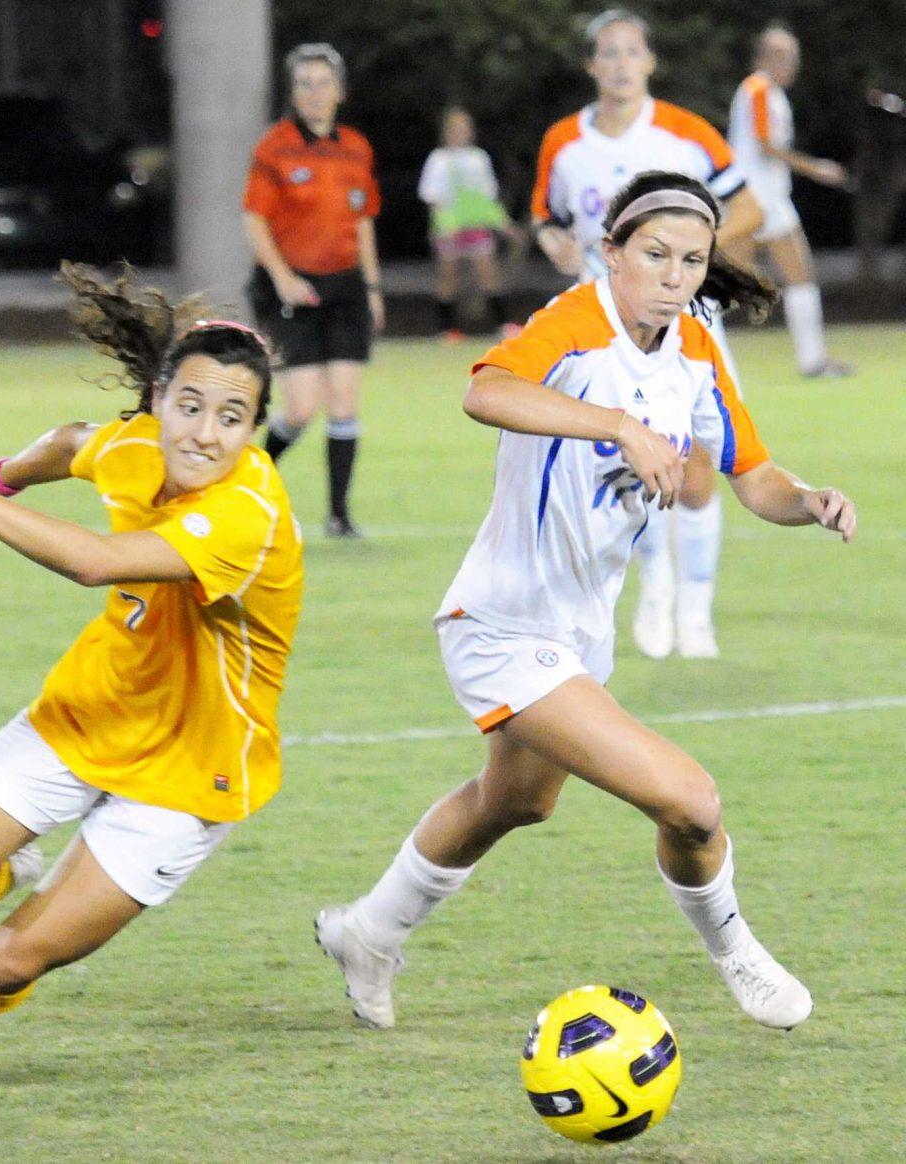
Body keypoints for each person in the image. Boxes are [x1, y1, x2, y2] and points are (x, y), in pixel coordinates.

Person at [316, 171, 855, 1039]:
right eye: (655, 255)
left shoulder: (693, 355)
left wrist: (811, 499)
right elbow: (483, 390)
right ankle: (739, 956)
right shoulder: (576, 324)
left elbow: (751, 474)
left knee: (515, 803)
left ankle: (368, 932)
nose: (675, 276)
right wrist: (614, 425)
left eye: (691, 260)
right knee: (691, 802)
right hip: (500, 622)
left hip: (575, 634)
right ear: (611, 251)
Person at [0, 265, 304, 1104]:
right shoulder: (133, 445)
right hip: (89, 711)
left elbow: (96, 563)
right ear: (158, 399)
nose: (203, 433)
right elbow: (71, 439)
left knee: (18, 959)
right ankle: (0, 873)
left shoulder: (247, 513)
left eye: (232, 418)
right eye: (189, 405)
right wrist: (1, 477)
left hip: (194, 771)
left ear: (255, 431)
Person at [531, 8, 766, 660]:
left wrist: (693, 250)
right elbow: (546, 216)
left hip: (686, 323)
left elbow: (749, 205)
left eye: (632, 52)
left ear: (649, 62)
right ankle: (655, 588)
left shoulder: (684, 135)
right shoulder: (564, 143)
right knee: (634, 461)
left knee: (698, 470)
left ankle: (696, 610)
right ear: (591, 65)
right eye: (608, 53)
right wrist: (552, 240)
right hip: (604, 329)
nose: (620, 64)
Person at [243, 42, 383, 539]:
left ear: (339, 90)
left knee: (344, 401)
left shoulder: (356, 147)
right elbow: (255, 220)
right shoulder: (274, 147)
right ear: (293, 92)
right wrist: (282, 277)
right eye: (305, 84)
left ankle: (339, 516)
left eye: (324, 82)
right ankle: (250, 481)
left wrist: (372, 286)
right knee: (302, 407)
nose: (315, 93)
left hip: (344, 286)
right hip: (289, 288)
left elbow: (362, 220)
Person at [727, 24, 853, 378]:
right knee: (717, 281)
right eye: (785, 56)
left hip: (769, 200)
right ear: (765, 57)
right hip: (755, 201)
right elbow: (767, 145)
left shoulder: (773, 94)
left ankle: (813, 361)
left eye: (793, 56)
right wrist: (816, 169)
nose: (792, 64)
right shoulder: (757, 88)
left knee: (798, 275)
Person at [418, 106, 522, 341]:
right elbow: (432, 197)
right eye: (455, 128)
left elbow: (487, 197)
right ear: (446, 132)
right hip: (448, 228)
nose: (460, 132)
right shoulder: (438, 159)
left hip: (476, 226)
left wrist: (503, 224)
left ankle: (503, 324)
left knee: (488, 272)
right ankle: (447, 329)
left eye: (464, 128)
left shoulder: (478, 158)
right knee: (448, 276)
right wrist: (445, 226)